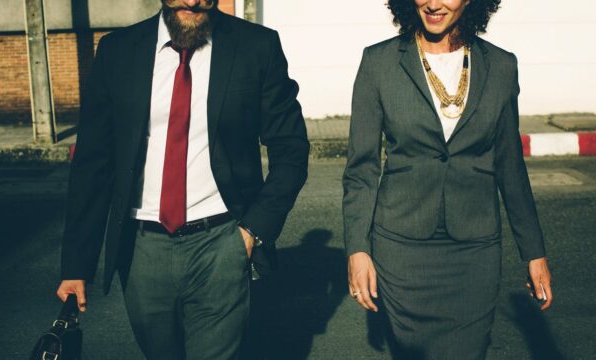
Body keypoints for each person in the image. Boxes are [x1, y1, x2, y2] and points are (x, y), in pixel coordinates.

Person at [56, 0, 309, 358]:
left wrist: (252, 231)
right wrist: (76, 266)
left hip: (222, 241)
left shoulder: (256, 46)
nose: (192, 1)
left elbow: (291, 149)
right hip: (142, 247)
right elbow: (94, 163)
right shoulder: (117, 51)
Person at [342, 0, 553, 358]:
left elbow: (510, 166)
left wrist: (534, 252)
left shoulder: (501, 66)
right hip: (401, 250)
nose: (434, 3)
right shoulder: (378, 62)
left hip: (474, 253)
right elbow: (361, 169)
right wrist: (357, 249)